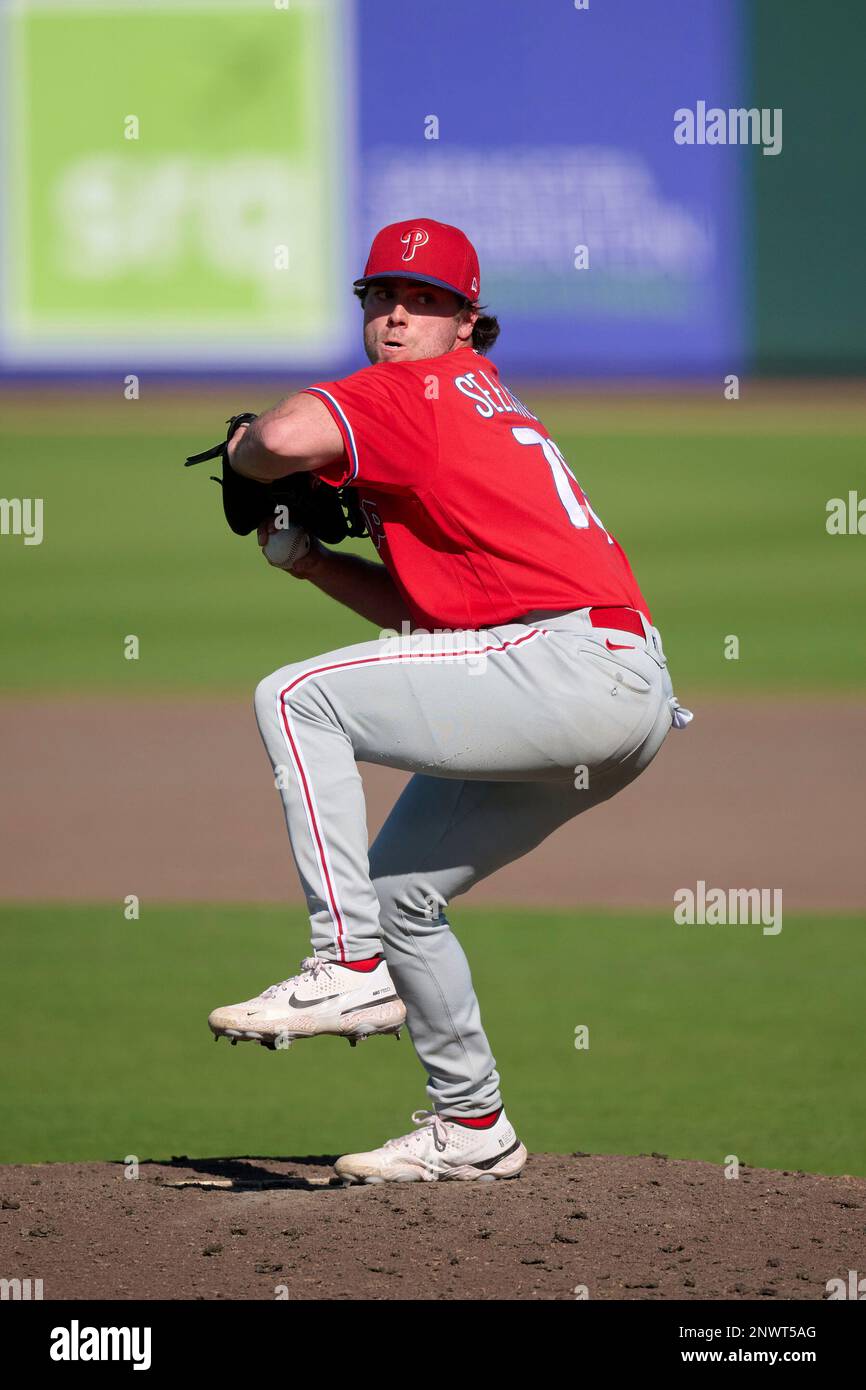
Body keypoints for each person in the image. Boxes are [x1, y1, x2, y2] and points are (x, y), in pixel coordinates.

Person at [207, 217, 690, 1185]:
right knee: (399, 895)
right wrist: (307, 559)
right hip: (599, 684)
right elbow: (433, 622)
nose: (395, 316)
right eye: (380, 297)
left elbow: (283, 437)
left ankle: (343, 969)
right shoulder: (471, 403)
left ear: (466, 323)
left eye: (424, 302)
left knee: (297, 695)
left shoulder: (412, 388)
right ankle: (472, 1125)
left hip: (566, 666)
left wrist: (244, 454)